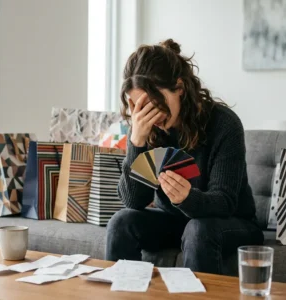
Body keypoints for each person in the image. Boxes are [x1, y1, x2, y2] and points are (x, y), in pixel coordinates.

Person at [105, 39, 264, 275]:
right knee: (121, 223)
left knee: (199, 229)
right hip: (175, 221)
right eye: (140, 106)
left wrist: (187, 198)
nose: (151, 114)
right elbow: (133, 201)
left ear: (179, 87)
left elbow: (225, 202)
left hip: (229, 222)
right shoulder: (147, 129)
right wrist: (136, 141)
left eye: (154, 102)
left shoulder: (224, 124)